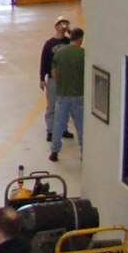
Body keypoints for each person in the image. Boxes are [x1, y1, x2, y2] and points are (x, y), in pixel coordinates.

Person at [49, 27, 86, 161]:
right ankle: (84, 151)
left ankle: (55, 151)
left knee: (59, 123)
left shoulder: (60, 53)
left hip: (62, 94)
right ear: (80, 38)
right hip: (78, 93)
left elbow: (54, 73)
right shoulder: (83, 54)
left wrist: (60, 85)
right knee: (81, 124)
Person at [37, 17, 71, 127]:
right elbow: (44, 61)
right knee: (51, 105)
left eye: (65, 24)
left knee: (65, 105)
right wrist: (42, 78)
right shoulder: (49, 43)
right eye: (61, 24)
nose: (63, 26)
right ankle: (50, 129)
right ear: (56, 27)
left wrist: (69, 31)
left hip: (66, 77)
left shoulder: (68, 42)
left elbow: (77, 40)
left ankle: (63, 127)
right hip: (53, 78)